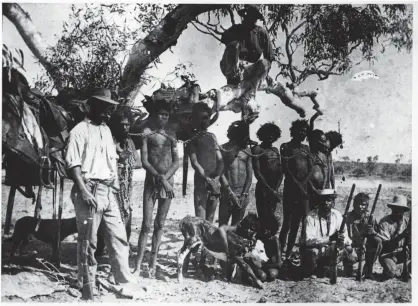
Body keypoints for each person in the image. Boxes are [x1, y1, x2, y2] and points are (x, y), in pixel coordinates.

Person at [65, 88, 137, 291]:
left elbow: (110, 161)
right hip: (89, 189)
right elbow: (73, 165)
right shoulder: (79, 131)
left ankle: (124, 281)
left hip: (108, 191)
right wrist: (84, 192)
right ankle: (86, 284)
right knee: (89, 241)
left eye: (109, 108)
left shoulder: (106, 131)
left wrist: (114, 185)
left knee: (119, 237)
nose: (107, 112)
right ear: (92, 107)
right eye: (104, 107)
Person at [133, 99, 180, 278]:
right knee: (146, 225)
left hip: (168, 184)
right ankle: (138, 266)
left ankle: (152, 265)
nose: (164, 118)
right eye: (161, 114)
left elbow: (176, 162)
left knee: (160, 224)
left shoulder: (172, 135)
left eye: (167, 115)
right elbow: (144, 161)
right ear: (154, 115)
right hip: (151, 183)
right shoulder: (147, 133)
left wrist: (166, 179)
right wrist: (160, 178)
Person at [96, 106, 142, 257]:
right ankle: (101, 251)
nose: (125, 127)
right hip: (110, 187)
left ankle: (121, 253)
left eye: (127, 124)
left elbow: (139, 163)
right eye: (122, 124)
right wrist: (117, 159)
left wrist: (125, 159)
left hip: (126, 190)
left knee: (126, 220)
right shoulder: (109, 140)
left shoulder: (129, 141)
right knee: (105, 223)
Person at [219, 4, 274, 121]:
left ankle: (248, 101)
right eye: (247, 16)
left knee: (265, 63)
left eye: (253, 17)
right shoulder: (236, 29)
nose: (249, 19)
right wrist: (237, 47)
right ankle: (234, 80)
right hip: (232, 66)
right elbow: (224, 39)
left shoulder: (261, 32)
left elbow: (269, 57)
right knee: (234, 45)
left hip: (249, 71)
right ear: (244, 16)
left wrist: (265, 73)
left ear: (256, 18)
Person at [300, 189, 352, 279]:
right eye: (323, 200)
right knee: (312, 252)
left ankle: (328, 267)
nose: (326, 203)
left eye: (329, 200)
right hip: (317, 251)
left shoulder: (338, 215)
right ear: (318, 202)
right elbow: (308, 241)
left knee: (348, 249)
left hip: (332, 250)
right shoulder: (310, 217)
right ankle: (315, 269)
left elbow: (347, 238)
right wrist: (330, 239)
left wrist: (341, 240)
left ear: (333, 203)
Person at [279, 119, 312, 260]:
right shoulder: (286, 146)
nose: (303, 133)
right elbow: (286, 168)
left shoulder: (306, 149)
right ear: (294, 131)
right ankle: (280, 252)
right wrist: (297, 184)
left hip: (303, 192)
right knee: (287, 222)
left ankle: (289, 253)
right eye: (301, 131)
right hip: (290, 190)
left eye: (305, 131)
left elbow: (310, 168)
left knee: (298, 223)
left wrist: (303, 183)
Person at [187, 102, 224, 223]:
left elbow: (220, 160)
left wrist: (217, 178)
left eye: (206, 118)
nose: (203, 121)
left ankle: (209, 242)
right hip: (201, 182)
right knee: (201, 221)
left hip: (214, 182)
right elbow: (194, 162)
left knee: (210, 220)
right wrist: (207, 178)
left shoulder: (212, 137)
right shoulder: (192, 138)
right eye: (200, 118)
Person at [363, 195, 411, 280]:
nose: (398, 212)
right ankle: (399, 269)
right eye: (395, 209)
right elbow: (387, 243)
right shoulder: (384, 222)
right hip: (388, 254)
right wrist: (403, 235)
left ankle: (405, 269)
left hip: (403, 253)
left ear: (404, 211)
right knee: (391, 272)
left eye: (400, 209)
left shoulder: (408, 222)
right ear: (392, 208)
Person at [219, 120, 253, 226]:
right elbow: (220, 173)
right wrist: (230, 193)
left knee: (236, 228)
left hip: (242, 194)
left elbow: (249, 174)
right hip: (227, 193)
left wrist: (244, 194)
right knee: (223, 227)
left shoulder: (247, 150)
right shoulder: (223, 148)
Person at [251, 122, 283, 221]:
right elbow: (257, 172)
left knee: (271, 217)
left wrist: (276, 189)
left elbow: (280, 170)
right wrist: (270, 189)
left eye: (273, 135)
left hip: (274, 188)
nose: (270, 137)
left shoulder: (275, 150)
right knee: (263, 216)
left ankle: (270, 236)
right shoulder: (257, 149)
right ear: (262, 135)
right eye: (268, 134)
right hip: (263, 188)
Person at [343, 192, 379, 277]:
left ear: (367, 206)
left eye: (363, 204)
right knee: (348, 274)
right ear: (353, 204)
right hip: (350, 248)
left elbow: (378, 235)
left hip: (365, 248)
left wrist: (373, 232)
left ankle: (368, 268)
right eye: (357, 204)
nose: (360, 207)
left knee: (378, 242)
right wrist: (350, 248)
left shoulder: (371, 218)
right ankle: (349, 266)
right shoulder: (347, 217)